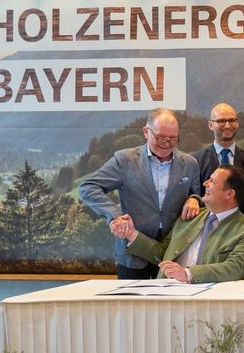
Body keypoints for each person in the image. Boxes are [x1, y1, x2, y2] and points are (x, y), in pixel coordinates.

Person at [79, 108, 201, 278]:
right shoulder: (125, 160)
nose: (166, 143)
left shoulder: (190, 163)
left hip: (173, 252)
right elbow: (88, 187)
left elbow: (198, 194)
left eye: (173, 139)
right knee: (131, 304)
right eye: (160, 138)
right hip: (132, 252)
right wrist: (115, 215)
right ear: (146, 132)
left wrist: (194, 199)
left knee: (169, 304)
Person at [110, 165, 244, 283]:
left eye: (212, 181)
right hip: (166, 293)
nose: (205, 183)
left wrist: (187, 273)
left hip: (208, 303)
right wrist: (132, 234)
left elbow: (235, 268)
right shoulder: (189, 216)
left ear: (229, 194)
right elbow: (164, 253)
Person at [193, 102, 244, 222]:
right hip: (206, 228)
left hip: (240, 228)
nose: (227, 125)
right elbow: (195, 194)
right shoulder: (196, 161)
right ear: (210, 125)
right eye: (221, 121)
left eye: (232, 120)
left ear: (237, 123)